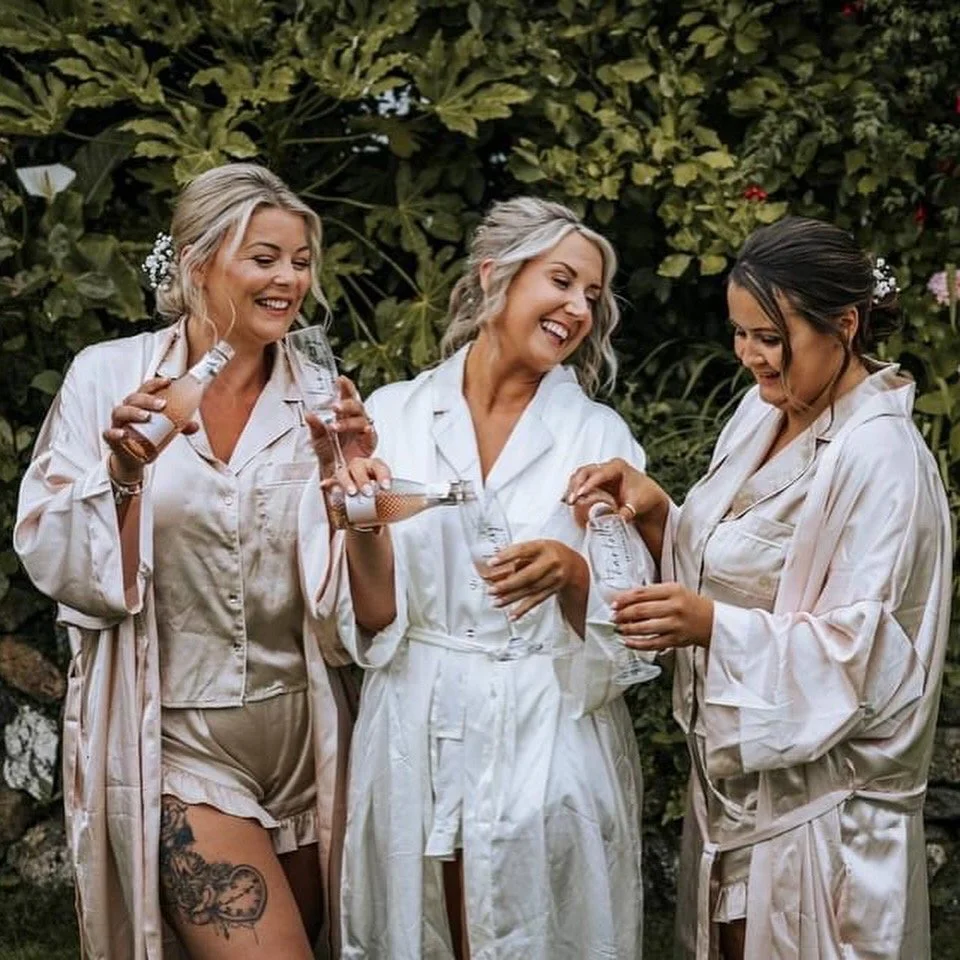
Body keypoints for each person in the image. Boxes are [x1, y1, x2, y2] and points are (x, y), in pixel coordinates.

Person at [567, 216, 952, 960]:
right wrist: (655, 513)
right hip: (734, 798)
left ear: (843, 325)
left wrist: (712, 625)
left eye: (771, 337)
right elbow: (738, 564)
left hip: (825, 819)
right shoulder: (760, 411)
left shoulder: (883, 459)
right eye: (741, 334)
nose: (750, 356)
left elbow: (863, 656)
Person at [15, 163, 372, 960]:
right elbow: (56, 553)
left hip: (309, 733)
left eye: (301, 261)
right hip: (182, 741)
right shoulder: (108, 376)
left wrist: (357, 491)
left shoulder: (320, 394)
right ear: (197, 262)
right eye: (265, 258)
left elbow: (352, 589)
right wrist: (124, 475)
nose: (289, 279)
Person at [332, 197, 648, 959]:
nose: (577, 309)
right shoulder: (394, 415)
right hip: (414, 711)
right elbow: (372, 620)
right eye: (563, 282)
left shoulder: (596, 435)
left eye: (592, 297)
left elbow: (634, 620)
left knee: (529, 933)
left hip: (546, 720)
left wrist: (574, 577)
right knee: (421, 928)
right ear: (495, 277)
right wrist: (362, 522)